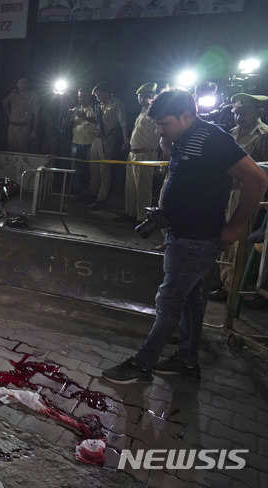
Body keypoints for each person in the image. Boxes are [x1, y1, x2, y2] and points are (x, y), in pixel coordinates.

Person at [102, 89, 268, 384]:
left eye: (164, 123)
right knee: (190, 301)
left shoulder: (214, 139)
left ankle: (142, 365)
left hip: (198, 239)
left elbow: (257, 179)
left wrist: (236, 225)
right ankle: (186, 361)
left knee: (169, 302)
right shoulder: (182, 138)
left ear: (187, 116)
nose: (158, 130)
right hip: (184, 236)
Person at [210, 93, 268, 302]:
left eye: (244, 112)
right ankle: (223, 277)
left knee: (238, 242)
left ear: (259, 112)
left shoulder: (263, 135)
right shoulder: (235, 132)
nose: (238, 117)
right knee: (222, 234)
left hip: (245, 194)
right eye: (236, 112)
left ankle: (231, 288)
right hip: (227, 191)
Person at [114, 82, 161, 224]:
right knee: (131, 187)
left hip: (145, 153)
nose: (141, 98)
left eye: (145, 96)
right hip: (134, 153)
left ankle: (142, 218)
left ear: (152, 96)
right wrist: (128, 141)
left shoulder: (157, 111)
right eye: (140, 96)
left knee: (143, 189)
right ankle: (131, 213)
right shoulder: (143, 111)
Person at [88, 81, 129, 209]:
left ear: (106, 93)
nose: (97, 97)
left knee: (104, 169)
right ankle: (92, 193)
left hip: (109, 139)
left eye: (99, 95)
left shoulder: (116, 104)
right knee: (94, 167)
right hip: (97, 138)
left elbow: (123, 123)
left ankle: (102, 197)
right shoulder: (99, 106)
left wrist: (125, 140)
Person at [64, 87, 99, 198]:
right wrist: (68, 117)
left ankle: (91, 191)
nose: (81, 99)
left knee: (91, 169)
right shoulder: (76, 109)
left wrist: (86, 118)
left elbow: (100, 122)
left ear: (90, 96)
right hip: (76, 142)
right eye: (79, 96)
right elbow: (66, 125)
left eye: (84, 96)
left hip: (91, 142)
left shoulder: (95, 108)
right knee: (76, 167)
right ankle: (76, 189)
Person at [2, 78, 39, 153]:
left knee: (22, 151)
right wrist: (9, 115)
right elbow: (4, 103)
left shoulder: (32, 96)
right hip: (12, 126)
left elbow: (36, 114)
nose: (22, 85)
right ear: (17, 84)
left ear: (28, 84)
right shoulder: (12, 94)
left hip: (24, 127)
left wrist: (34, 130)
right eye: (20, 82)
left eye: (25, 83)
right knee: (11, 150)